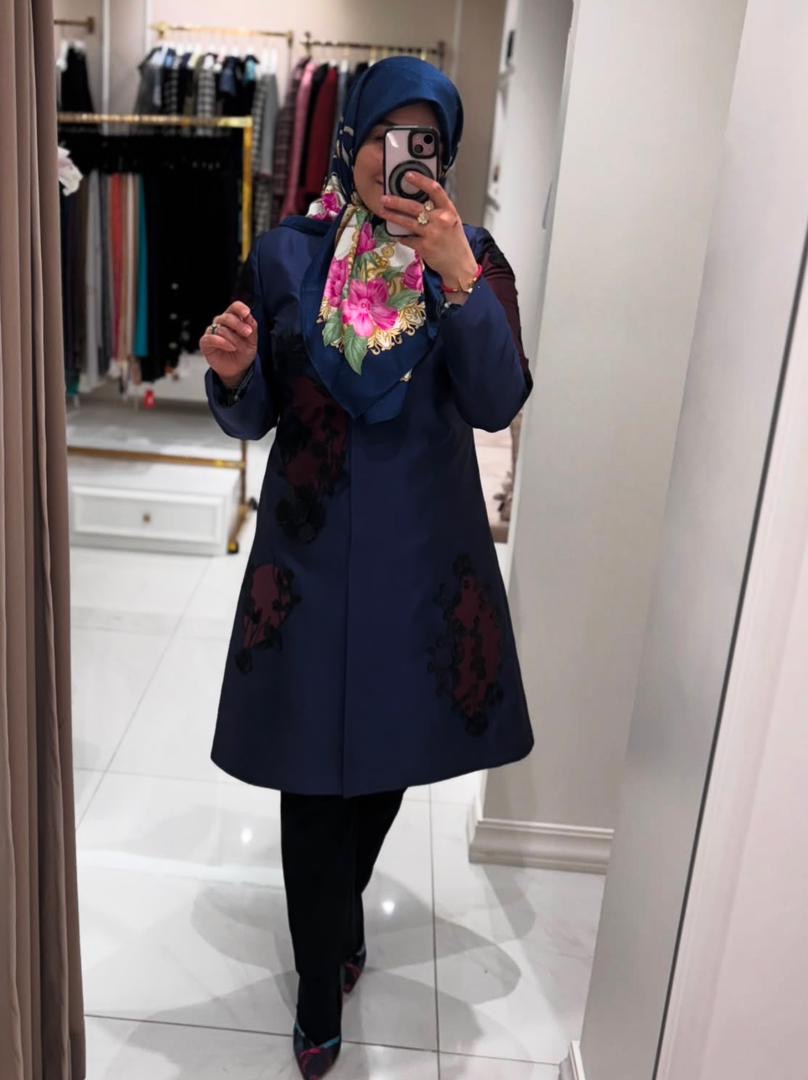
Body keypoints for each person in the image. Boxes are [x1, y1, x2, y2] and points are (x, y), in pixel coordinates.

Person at [199, 56, 534, 1079]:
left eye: (425, 141)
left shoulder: (474, 260)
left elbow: (497, 399)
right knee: (310, 778)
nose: (404, 158)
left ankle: (338, 915)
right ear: (352, 140)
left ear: (447, 155)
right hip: (306, 558)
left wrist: (456, 275)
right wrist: (233, 378)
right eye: (388, 135)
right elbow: (257, 411)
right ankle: (319, 984)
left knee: (382, 766)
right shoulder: (286, 257)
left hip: (421, 558)